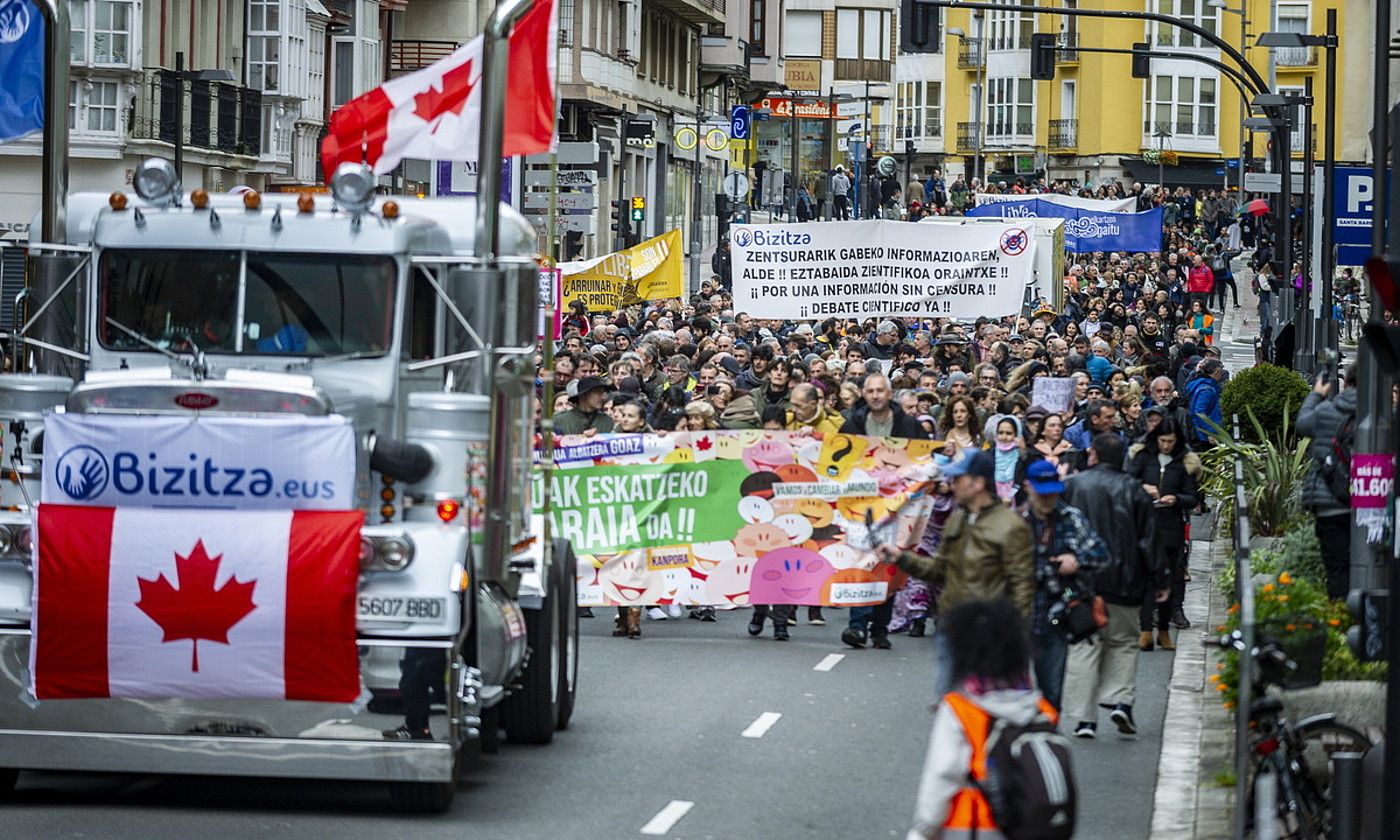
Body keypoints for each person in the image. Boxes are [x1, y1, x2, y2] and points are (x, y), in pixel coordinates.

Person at [905, 599, 1064, 840]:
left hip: (971, 824)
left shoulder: (962, 708)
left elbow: (944, 772)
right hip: (1028, 824)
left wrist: (923, 829)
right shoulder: (1040, 707)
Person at [881, 450, 1034, 696]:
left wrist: (1011, 637)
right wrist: (901, 558)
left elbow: (1022, 588)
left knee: (981, 710)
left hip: (988, 632)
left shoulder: (1010, 527)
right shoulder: (958, 519)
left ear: (978, 483)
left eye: (958, 479)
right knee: (950, 703)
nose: (951, 485)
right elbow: (939, 569)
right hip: (952, 625)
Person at [1061, 433, 1168, 739]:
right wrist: (1160, 579)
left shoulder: (1073, 485)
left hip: (1082, 579)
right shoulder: (1134, 490)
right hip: (1125, 579)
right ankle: (1121, 700)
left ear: (1093, 454)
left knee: (1084, 645)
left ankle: (1084, 719)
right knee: (1123, 642)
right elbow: (1149, 538)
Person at [1021, 460, 1109, 711]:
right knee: (1013, 693)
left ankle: (1047, 742)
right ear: (1028, 487)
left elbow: (1102, 555)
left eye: (1052, 491)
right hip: (1019, 616)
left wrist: (1077, 560)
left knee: (1051, 690)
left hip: (1054, 616)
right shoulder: (1016, 521)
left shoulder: (1071, 518)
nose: (1048, 498)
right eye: (1042, 492)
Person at [1126, 420, 1200, 649]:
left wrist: (1176, 498)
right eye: (1163, 441)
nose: (1166, 446)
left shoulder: (1182, 463)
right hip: (1145, 524)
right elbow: (1127, 483)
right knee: (1147, 577)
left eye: (1171, 442)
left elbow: (1193, 496)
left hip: (1171, 525)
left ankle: (1164, 629)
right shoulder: (1144, 458)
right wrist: (1143, 488)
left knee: (1169, 577)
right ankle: (1146, 627)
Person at [1296, 364, 1358, 599]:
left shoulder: (1327, 411)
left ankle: (1340, 617)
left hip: (1329, 501)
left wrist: (1316, 394)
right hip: (1367, 501)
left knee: (1337, 568)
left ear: (1347, 383)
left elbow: (1302, 424)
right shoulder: (1379, 413)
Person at [1184, 358, 1225, 448]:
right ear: (1216, 373)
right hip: (1203, 436)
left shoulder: (1198, 384)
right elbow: (1199, 412)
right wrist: (1210, 432)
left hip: (1199, 432)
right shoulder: (1207, 389)